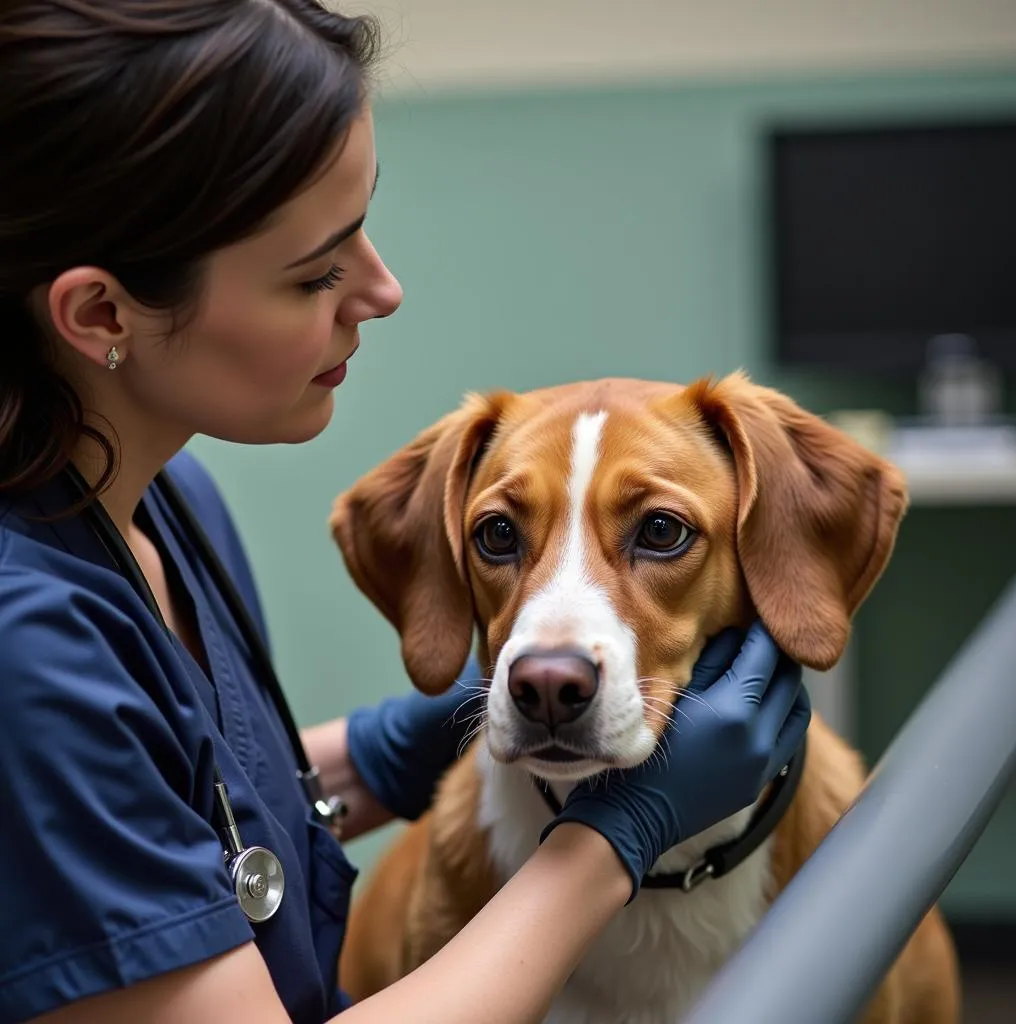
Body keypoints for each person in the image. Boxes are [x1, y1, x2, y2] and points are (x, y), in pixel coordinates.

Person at [0, 3, 811, 1023]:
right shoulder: (21, 637)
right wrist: (615, 837)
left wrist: (383, 749)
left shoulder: (157, 499)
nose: (381, 290)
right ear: (102, 313)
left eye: (362, 229)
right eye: (314, 273)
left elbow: (147, 807)